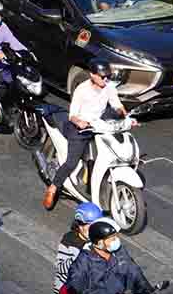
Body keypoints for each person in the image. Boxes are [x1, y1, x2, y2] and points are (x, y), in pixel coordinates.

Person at [44, 60, 128, 210]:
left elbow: (117, 105)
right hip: (80, 129)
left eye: (108, 76)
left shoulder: (108, 87)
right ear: (92, 75)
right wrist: (80, 122)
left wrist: (125, 116)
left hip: (98, 126)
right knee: (71, 162)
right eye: (102, 77)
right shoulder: (82, 90)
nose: (106, 80)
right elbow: (73, 115)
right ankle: (53, 188)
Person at [52, 202, 103, 294]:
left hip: (98, 284)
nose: (90, 229)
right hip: (74, 286)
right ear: (79, 224)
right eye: (86, 225)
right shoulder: (69, 240)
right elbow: (61, 267)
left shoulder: (102, 238)